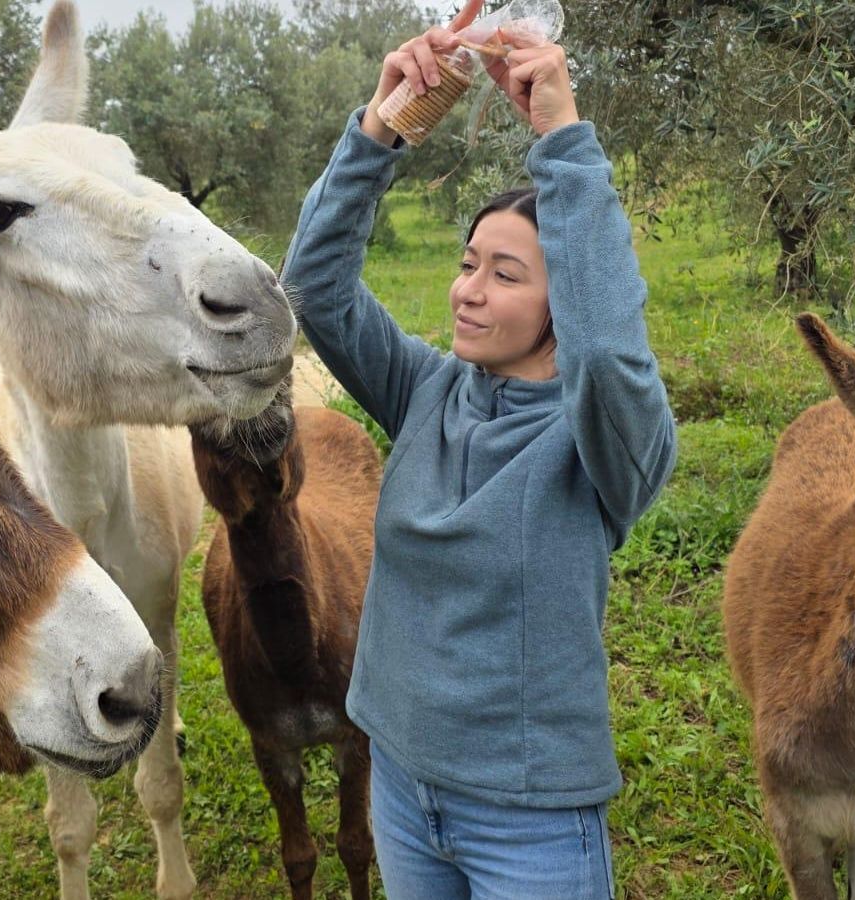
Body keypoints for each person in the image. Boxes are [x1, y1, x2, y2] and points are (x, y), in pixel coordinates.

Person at [279, 3, 678, 896]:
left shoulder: (599, 442)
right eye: (468, 264)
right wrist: (386, 122)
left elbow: (610, 350)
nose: (468, 292)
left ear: (559, 305)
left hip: (528, 819)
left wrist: (562, 138)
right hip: (401, 786)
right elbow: (311, 284)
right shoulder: (424, 390)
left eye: (505, 276)